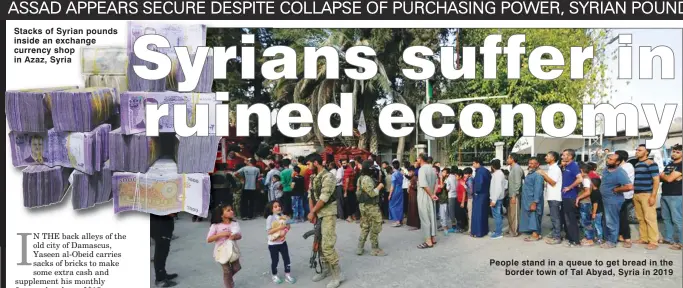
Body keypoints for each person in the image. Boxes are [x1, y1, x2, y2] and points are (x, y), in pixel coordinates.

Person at [305, 153, 342, 288]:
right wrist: (312, 212)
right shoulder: (313, 176)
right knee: (319, 244)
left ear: (316, 163)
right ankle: (326, 269)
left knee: (327, 245)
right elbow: (310, 195)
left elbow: (324, 197)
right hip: (318, 213)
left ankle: (337, 275)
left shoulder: (328, 177)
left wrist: (313, 211)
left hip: (328, 214)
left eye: (309, 164)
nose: (307, 167)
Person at [600, 153, 634, 249]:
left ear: (618, 162)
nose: (608, 161)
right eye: (608, 159)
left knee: (612, 221)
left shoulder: (620, 172)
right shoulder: (606, 170)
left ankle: (612, 241)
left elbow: (629, 186)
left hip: (614, 201)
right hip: (605, 200)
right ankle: (608, 239)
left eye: (611, 159)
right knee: (606, 221)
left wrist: (617, 190)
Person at [632, 144, 661, 250]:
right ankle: (644, 238)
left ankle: (653, 241)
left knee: (650, 218)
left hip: (647, 194)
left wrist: (653, 196)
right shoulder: (637, 164)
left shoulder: (651, 164)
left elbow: (656, 180)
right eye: (637, 150)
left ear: (646, 152)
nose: (637, 151)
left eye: (640, 150)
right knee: (641, 218)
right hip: (637, 194)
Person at [356, 160, 387, 256]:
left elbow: (359, 191)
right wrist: (380, 186)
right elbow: (372, 193)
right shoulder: (366, 179)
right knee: (376, 225)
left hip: (364, 205)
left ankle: (360, 248)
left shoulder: (361, 178)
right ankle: (375, 249)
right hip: (370, 206)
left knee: (365, 226)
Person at [207, 205, 242, 288]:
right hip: (221, 251)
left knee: (237, 268)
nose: (231, 211)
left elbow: (240, 236)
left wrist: (234, 236)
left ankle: (228, 279)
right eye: (228, 210)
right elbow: (209, 239)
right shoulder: (215, 226)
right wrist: (221, 234)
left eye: (231, 210)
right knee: (227, 271)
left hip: (232, 249)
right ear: (221, 215)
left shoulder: (234, 224)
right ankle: (228, 285)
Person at [264, 201, 296, 284]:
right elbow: (269, 231)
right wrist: (280, 228)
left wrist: (286, 229)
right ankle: (274, 275)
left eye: (279, 206)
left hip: (282, 242)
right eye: (275, 206)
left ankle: (288, 275)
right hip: (273, 244)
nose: (278, 207)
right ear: (271, 209)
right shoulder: (270, 217)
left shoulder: (283, 216)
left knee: (287, 259)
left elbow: (288, 227)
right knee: (275, 260)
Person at [536, 151, 563, 245]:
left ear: (553, 158)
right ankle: (556, 233)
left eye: (547, 156)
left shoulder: (555, 169)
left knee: (555, 217)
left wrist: (543, 174)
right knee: (553, 217)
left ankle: (557, 237)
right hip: (551, 196)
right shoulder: (551, 168)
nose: (545, 157)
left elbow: (553, 182)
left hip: (555, 196)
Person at [659, 144, 683, 250]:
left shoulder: (681, 165)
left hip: (676, 195)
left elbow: (668, 179)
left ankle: (681, 242)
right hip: (665, 194)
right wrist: (666, 176)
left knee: (677, 220)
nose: (674, 153)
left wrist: (665, 176)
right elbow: (662, 177)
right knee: (666, 218)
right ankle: (669, 238)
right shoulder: (670, 164)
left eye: (678, 152)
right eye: (673, 151)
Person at [560, 149, 583, 247]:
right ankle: (570, 239)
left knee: (571, 219)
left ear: (570, 157)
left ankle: (575, 240)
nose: (562, 157)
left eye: (564, 155)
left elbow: (580, 179)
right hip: (565, 196)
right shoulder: (566, 166)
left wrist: (570, 187)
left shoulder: (573, 166)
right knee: (566, 219)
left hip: (570, 197)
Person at [416, 154, 438, 248]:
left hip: (424, 195)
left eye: (417, 158)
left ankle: (428, 241)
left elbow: (423, 185)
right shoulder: (432, 169)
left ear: (420, 159)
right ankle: (433, 238)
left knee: (425, 218)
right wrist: (434, 194)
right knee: (432, 217)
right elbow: (437, 182)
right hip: (431, 195)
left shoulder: (422, 169)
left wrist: (431, 194)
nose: (416, 160)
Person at [520, 157, 544, 242]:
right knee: (531, 216)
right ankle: (535, 233)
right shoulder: (530, 173)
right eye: (530, 163)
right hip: (528, 199)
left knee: (535, 216)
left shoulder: (538, 175)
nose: (530, 165)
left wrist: (535, 202)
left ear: (537, 164)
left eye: (533, 163)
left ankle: (535, 235)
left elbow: (538, 189)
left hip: (533, 200)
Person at [151, 213, 178, 287]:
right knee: (161, 252)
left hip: (164, 223)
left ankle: (162, 273)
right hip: (160, 225)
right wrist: (171, 212)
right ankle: (160, 279)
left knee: (164, 250)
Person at [615, 150, 634, 248]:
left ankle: (627, 238)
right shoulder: (619, 167)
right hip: (617, 195)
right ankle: (620, 235)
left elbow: (618, 180)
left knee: (623, 217)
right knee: (617, 217)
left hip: (625, 195)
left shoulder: (627, 166)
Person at [470, 158, 492, 238]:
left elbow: (479, 183)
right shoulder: (486, 171)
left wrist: (476, 192)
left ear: (478, 163)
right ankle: (484, 230)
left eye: (474, 163)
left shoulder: (480, 172)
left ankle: (477, 232)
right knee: (483, 214)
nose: (473, 165)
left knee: (477, 214)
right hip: (485, 194)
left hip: (479, 195)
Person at [576, 164, 596, 246]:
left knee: (586, 222)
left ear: (581, 170)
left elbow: (588, 192)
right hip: (584, 203)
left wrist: (578, 198)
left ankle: (590, 239)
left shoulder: (586, 180)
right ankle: (587, 236)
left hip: (585, 203)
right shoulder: (584, 179)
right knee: (583, 221)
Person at [506, 154, 524, 237]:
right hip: (511, 194)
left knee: (515, 214)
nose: (507, 159)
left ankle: (515, 231)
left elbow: (518, 183)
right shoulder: (513, 168)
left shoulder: (516, 168)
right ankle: (511, 230)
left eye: (508, 158)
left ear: (512, 159)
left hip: (514, 195)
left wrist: (514, 195)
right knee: (511, 213)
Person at [489, 159, 506, 239]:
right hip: (496, 197)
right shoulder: (498, 173)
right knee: (497, 215)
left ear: (492, 166)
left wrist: (494, 200)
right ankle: (498, 230)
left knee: (497, 216)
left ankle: (499, 233)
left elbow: (498, 188)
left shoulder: (498, 174)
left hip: (496, 198)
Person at [388, 160, 405, 227]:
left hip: (395, 190)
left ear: (392, 166)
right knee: (399, 205)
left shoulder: (394, 174)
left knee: (392, 205)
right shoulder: (400, 173)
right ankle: (400, 220)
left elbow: (392, 185)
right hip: (400, 190)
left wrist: (390, 194)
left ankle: (397, 221)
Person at [590, 177, 605, 244]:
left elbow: (595, 204)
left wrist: (594, 213)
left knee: (597, 225)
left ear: (593, 184)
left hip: (597, 212)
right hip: (599, 211)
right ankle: (597, 238)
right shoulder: (597, 191)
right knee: (597, 225)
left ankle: (600, 239)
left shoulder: (595, 192)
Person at [406, 166, 420, 230]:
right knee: (412, 209)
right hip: (412, 195)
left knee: (414, 209)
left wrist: (410, 185)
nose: (409, 173)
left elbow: (416, 186)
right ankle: (413, 224)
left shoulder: (415, 177)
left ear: (412, 171)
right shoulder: (413, 177)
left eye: (409, 172)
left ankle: (416, 225)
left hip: (414, 195)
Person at [437, 167, 451, 235]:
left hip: (444, 199)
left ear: (447, 174)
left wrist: (441, 179)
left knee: (444, 213)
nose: (442, 173)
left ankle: (445, 227)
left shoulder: (446, 180)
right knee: (441, 213)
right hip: (441, 199)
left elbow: (442, 186)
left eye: (444, 172)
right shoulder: (442, 179)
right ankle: (443, 225)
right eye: (442, 172)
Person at [445, 167, 459, 233]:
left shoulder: (449, 178)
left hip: (451, 196)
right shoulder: (457, 177)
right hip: (457, 195)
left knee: (451, 212)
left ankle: (454, 227)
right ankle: (458, 225)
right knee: (456, 211)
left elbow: (447, 188)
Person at [463, 167, 474, 233]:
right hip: (470, 198)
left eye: (466, 174)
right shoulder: (471, 179)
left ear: (470, 174)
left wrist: (465, 186)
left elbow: (471, 191)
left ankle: (470, 230)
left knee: (470, 214)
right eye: (464, 174)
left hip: (470, 199)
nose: (464, 175)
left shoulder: (469, 180)